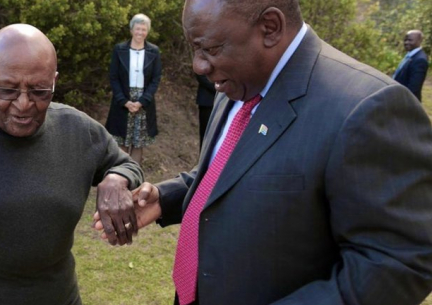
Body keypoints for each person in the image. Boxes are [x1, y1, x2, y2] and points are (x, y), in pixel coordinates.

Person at [96, 0, 432, 304]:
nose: (198, 65)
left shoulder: (366, 108)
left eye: (210, 48)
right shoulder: (236, 82)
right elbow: (232, 169)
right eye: (194, 49)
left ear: (269, 28)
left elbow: (398, 262)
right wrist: (167, 198)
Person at [0, 24, 143, 305]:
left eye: (40, 91)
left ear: (54, 81)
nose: (24, 103)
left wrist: (117, 178)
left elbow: (126, 165)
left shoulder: (78, 130)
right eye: (7, 89)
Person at [105, 13, 162, 164]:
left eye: (143, 29)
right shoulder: (119, 50)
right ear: (131, 30)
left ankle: (134, 177)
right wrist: (123, 101)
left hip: (143, 103)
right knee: (122, 142)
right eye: (137, 29)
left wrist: (142, 101)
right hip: (123, 100)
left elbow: (156, 79)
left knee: (138, 143)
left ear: (147, 32)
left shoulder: (154, 51)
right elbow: (114, 77)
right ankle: (120, 175)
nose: (140, 32)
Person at [393, 29, 429, 101]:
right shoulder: (410, 55)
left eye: (410, 40)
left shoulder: (420, 60)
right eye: (405, 40)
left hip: (407, 102)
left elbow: (414, 88)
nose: (406, 42)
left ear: (419, 41)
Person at [195, 73, 215, 150]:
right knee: (205, 137)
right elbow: (201, 75)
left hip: (223, 104)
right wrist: (220, 89)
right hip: (207, 102)